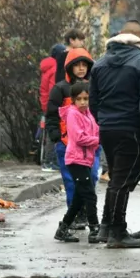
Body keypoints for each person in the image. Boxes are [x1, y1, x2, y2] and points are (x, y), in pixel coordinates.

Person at [89, 20, 140, 249]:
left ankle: (106, 227)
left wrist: (104, 120)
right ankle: (118, 232)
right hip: (132, 128)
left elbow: (93, 102)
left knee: (116, 177)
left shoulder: (99, 63)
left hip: (107, 128)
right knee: (122, 182)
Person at [45, 46, 101, 230]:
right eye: (77, 65)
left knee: (91, 178)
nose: (81, 68)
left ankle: (82, 214)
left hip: (90, 145)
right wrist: (56, 137)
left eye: (85, 65)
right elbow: (52, 115)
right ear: (70, 68)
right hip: (67, 144)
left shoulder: (93, 88)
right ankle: (76, 216)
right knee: (71, 182)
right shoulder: (60, 89)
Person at [54, 82, 101, 244]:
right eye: (79, 99)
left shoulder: (88, 113)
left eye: (86, 98)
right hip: (76, 159)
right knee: (90, 195)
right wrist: (99, 140)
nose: (83, 102)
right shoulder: (73, 114)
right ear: (73, 100)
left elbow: (95, 130)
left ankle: (63, 229)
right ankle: (95, 228)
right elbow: (78, 137)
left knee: (79, 197)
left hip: (86, 159)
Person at [39, 44, 67, 172]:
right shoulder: (56, 69)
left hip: (45, 103)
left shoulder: (47, 68)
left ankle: (48, 160)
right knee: (53, 132)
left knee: (48, 132)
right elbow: (54, 89)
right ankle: (50, 161)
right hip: (53, 104)